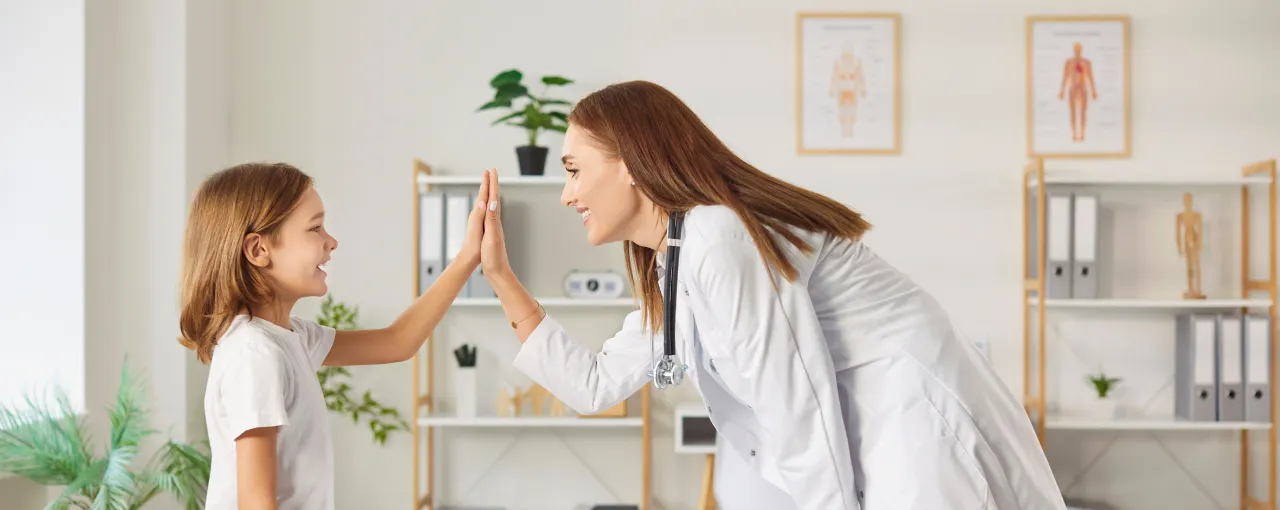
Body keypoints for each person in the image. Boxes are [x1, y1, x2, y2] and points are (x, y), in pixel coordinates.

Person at [474, 81, 1067, 510]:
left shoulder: (716, 237)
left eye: (574, 170)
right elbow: (594, 385)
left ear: (629, 163)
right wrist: (499, 275)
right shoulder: (679, 256)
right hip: (880, 438)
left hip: (917, 428)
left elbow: (796, 405)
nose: (567, 194)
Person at [178, 162, 489, 509]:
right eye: (315, 228)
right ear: (258, 250)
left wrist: (468, 257)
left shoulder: (290, 338)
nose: (332, 241)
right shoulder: (255, 353)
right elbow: (256, 502)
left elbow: (398, 342)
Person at [1058, 41, 1098, 142]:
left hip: (1083, 87)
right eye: (1076, 50)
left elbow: (1090, 77)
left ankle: (1083, 134)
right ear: (1073, 50)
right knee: (1073, 112)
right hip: (1072, 88)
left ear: (1081, 50)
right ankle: (1074, 135)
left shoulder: (1086, 63)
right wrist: (1062, 91)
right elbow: (1065, 76)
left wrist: (1094, 91)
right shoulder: (1069, 62)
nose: (1077, 51)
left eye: (1079, 50)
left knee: (1083, 112)